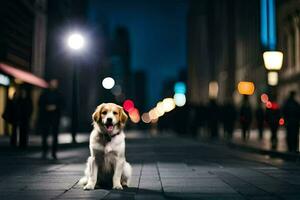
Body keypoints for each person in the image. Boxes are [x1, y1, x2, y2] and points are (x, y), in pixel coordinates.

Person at [39, 79, 62, 159]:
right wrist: (46, 107)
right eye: (52, 83)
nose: (53, 84)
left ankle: (54, 152)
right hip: (46, 117)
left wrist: (55, 107)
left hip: (55, 118)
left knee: (55, 136)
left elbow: (62, 105)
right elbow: (40, 104)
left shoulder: (59, 94)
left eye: (55, 83)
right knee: (45, 135)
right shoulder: (45, 94)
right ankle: (44, 151)